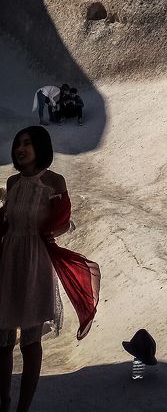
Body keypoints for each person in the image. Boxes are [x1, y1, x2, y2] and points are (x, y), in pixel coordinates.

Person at [0, 126, 99, 412]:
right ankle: (3, 400)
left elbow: (60, 222)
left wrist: (55, 225)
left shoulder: (55, 181)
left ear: (40, 147)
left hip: (35, 261)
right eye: (18, 143)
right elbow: (7, 222)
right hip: (9, 259)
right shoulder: (13, 182)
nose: (21, 148)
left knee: (30, 340)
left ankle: (23, 407)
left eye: (27, 143)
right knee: (3, 338)